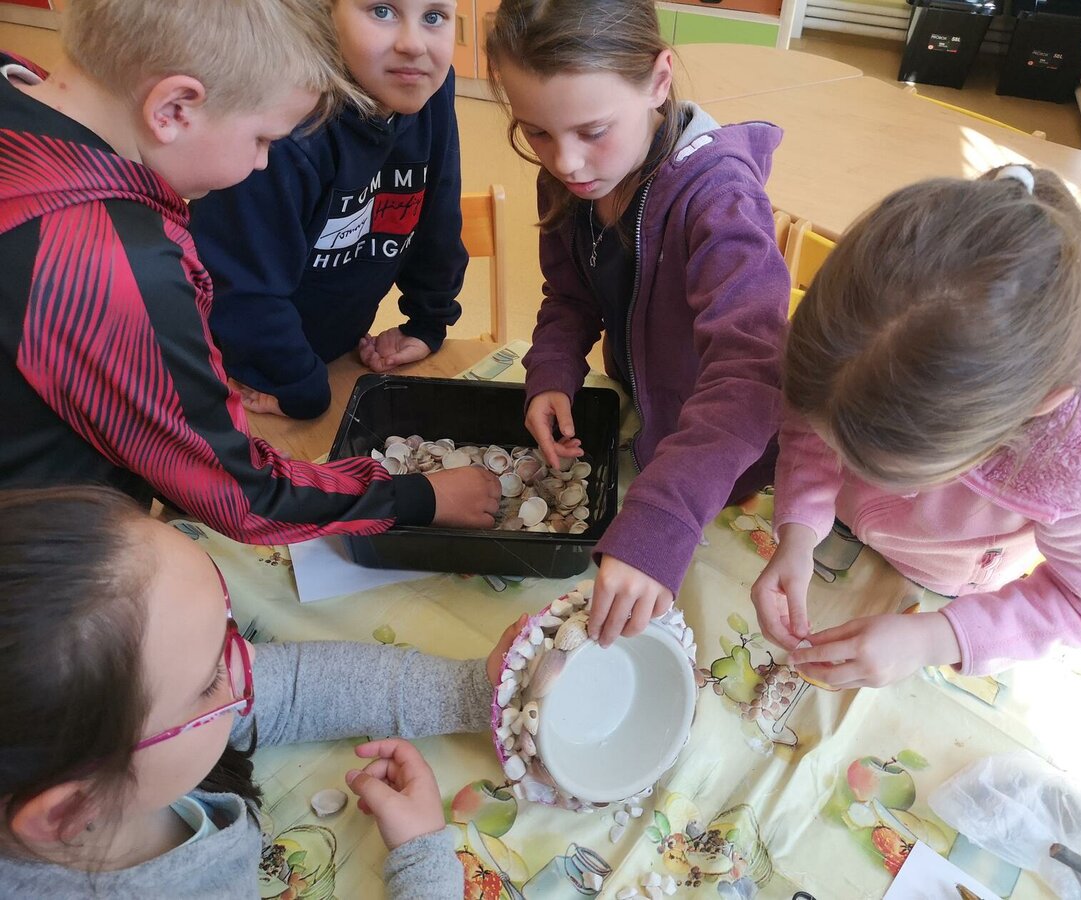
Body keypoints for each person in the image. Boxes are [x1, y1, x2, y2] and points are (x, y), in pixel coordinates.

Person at [0, 0, 500, 543]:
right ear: (173, 110)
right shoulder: (121, 269)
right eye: (262, 139)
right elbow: (241, 495)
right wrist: (418, 497)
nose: (263, 162)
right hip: (55, 548)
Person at [752, 165, 1081, 689]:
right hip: (845, 534)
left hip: (950, 587)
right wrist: (800, 527)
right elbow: (816, 410)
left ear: (1035, 411)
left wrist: (934, 639)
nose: (846, 461)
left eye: (882, 465)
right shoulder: (866, 322)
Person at [0, 485, 522, 897]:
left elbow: (292, 687)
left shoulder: (95, 729)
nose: (252, 658)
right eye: (212, 680)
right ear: (70, 811)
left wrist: (472, 691)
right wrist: (423, 862)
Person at [486, 0, 791, 645]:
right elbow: (571, 296)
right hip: (641, 424)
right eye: (536, 133)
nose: (566, 163)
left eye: (593, 131)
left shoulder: (721, 199)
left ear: (659, 80)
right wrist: (553, 369)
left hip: (726, 470)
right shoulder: (573, 178)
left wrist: (664, 518)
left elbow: (751, 375)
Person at [190, 0, 468, 421]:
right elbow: (240, 284)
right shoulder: (285, 129)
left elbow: (437, 212)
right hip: (240, 378)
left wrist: (428, 321)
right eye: (382, 11)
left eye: (434, 16)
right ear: (324, 11)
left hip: (324, 361)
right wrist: (298, 386)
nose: (414, 45)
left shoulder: (429, 89)